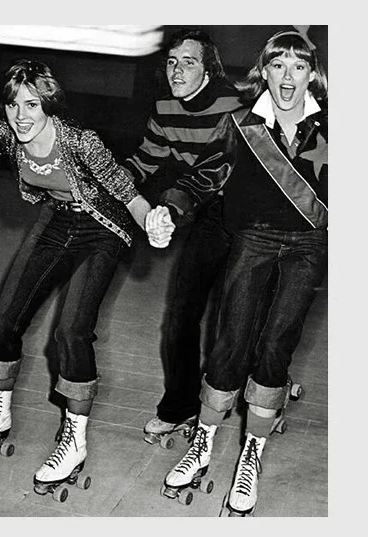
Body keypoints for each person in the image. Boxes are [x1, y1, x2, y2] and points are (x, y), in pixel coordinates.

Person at [155, 29, 328, 516]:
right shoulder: (242, 123)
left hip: (308, 246)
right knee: (230, 340)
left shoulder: (335, 126)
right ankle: (204, 442)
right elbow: (205, 173)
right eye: (278, 65)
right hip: (252, 239)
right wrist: (171, 207)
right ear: (263, 72)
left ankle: (252, 451)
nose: (287, 77)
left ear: (311, 74)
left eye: (298, 66)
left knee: (276, 346)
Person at [0, 59, 171, 495]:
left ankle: (74, 440)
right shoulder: (6, 134)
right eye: (13, 104)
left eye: (31, 104)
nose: (21, 115)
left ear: (48, 104)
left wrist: (152, 222)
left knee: (71, 330)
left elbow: (125, 191)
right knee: (4, 316)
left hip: (101, 227)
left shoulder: (80, 140)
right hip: (56, 220)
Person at [119, 29, 245, 442]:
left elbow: (217, 169)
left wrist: (172, 207)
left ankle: (264, 387)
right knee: (182, 313)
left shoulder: (236, 106)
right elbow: (146, 160)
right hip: (208, 214)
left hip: (252, 217)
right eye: (172, 62)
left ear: (209, 71)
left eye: (188, 63)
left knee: (240, 316)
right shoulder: (165, 107)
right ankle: (180, 406)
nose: (177, 71)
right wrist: (106, 183)